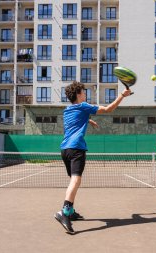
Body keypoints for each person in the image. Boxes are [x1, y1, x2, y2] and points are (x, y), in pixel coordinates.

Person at [54, 81, 132, 234]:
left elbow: (75, 121)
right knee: (76, 180)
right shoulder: (84, 106)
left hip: (65, 150)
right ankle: (64, 211)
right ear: (78, 94)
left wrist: (88, 120)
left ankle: (71, 211)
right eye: (84, 92)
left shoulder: (67, 109)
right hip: (77, 148)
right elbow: (109, 109)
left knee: (73, 182)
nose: (85, 94)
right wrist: (123, 95)